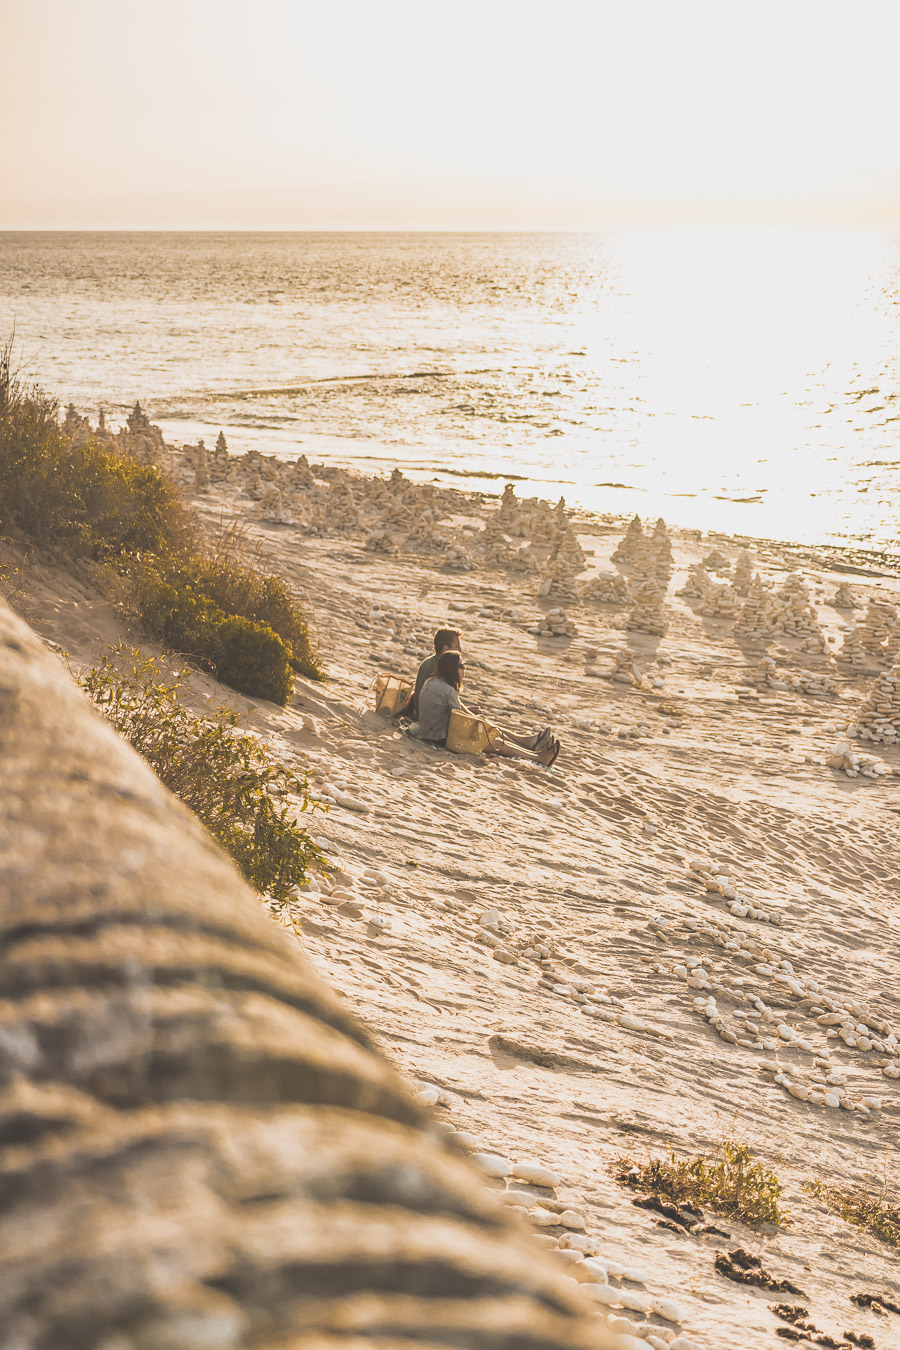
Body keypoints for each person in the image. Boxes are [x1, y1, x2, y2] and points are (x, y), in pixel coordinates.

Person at [417, 652, 560, 766]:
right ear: (452, 669)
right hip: (440, 738)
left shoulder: (431, 683)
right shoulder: (448, 691)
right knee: (495, 741)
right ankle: (537, 756)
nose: (464, 669)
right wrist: (475, 718)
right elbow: (459, 718)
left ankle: (528, 743)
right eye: (461, 666)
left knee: (487, 727)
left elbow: (452, 709)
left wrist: (473, 714)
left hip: (429, 731)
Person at [410, 627, 461, 720]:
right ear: (445, 649)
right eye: (457, 647)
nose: (460, 650)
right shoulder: (440, 668)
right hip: (427, 719)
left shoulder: (428, 661)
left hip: (421, 713)